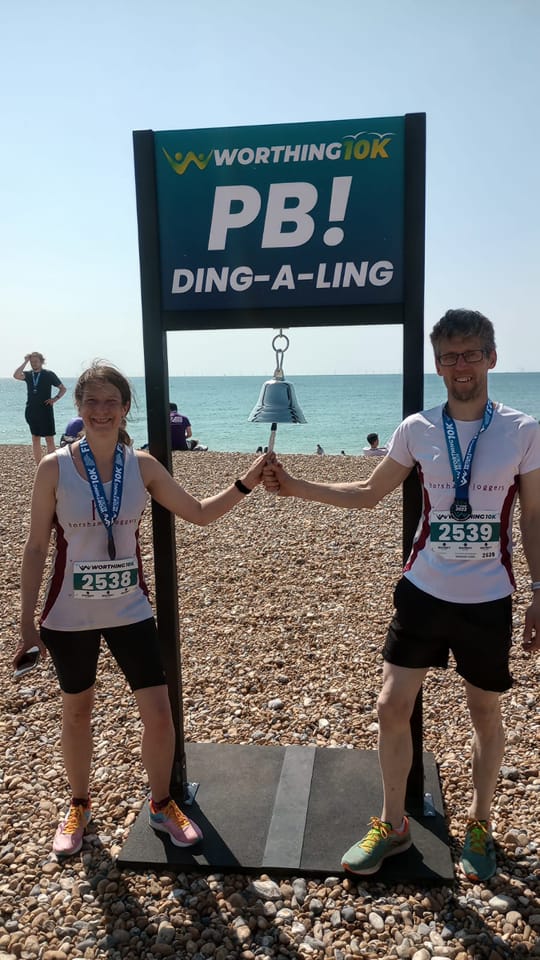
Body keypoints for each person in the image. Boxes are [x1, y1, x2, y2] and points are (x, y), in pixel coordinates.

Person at [263, 309, 540, 882]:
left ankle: (481, 824)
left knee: (484, 711)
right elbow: (369, 492)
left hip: (489, 597)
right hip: (423, 590)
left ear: (491, 356)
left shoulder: (523, 430)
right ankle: (394, 826)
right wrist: (295, 486)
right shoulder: (416, 428)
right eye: (448, 357)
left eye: (470, 354)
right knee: (391, 706)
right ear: (436, 365)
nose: (460, 366)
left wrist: (539, 590)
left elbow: (534, 515)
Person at [14, 361, 266, 858]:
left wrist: (246, 481)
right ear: (78, 407)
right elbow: (37, 547)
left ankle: (161, 803)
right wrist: (25, 624)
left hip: (130, 610)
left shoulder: (144, 465)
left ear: (126, 408)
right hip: (68, 616)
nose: (101, 411)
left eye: (112, 402)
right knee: (77, 713)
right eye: (92, 402)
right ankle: (80, 805)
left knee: (158, 714)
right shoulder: (54, 467)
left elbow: (199, 513)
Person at [13, 352, 67, 464]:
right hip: (31, 410)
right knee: (35, 438)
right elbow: (16, 375)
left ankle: (52, 465)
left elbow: (63, 389)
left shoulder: (49, 374)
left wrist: (55, 399)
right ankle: (39, 465)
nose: (33, 364)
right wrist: (25, 361)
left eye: (36, 361)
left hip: (45, 410)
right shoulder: (28, 375)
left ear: (41, 362)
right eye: (32, 362)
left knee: (49, 439)